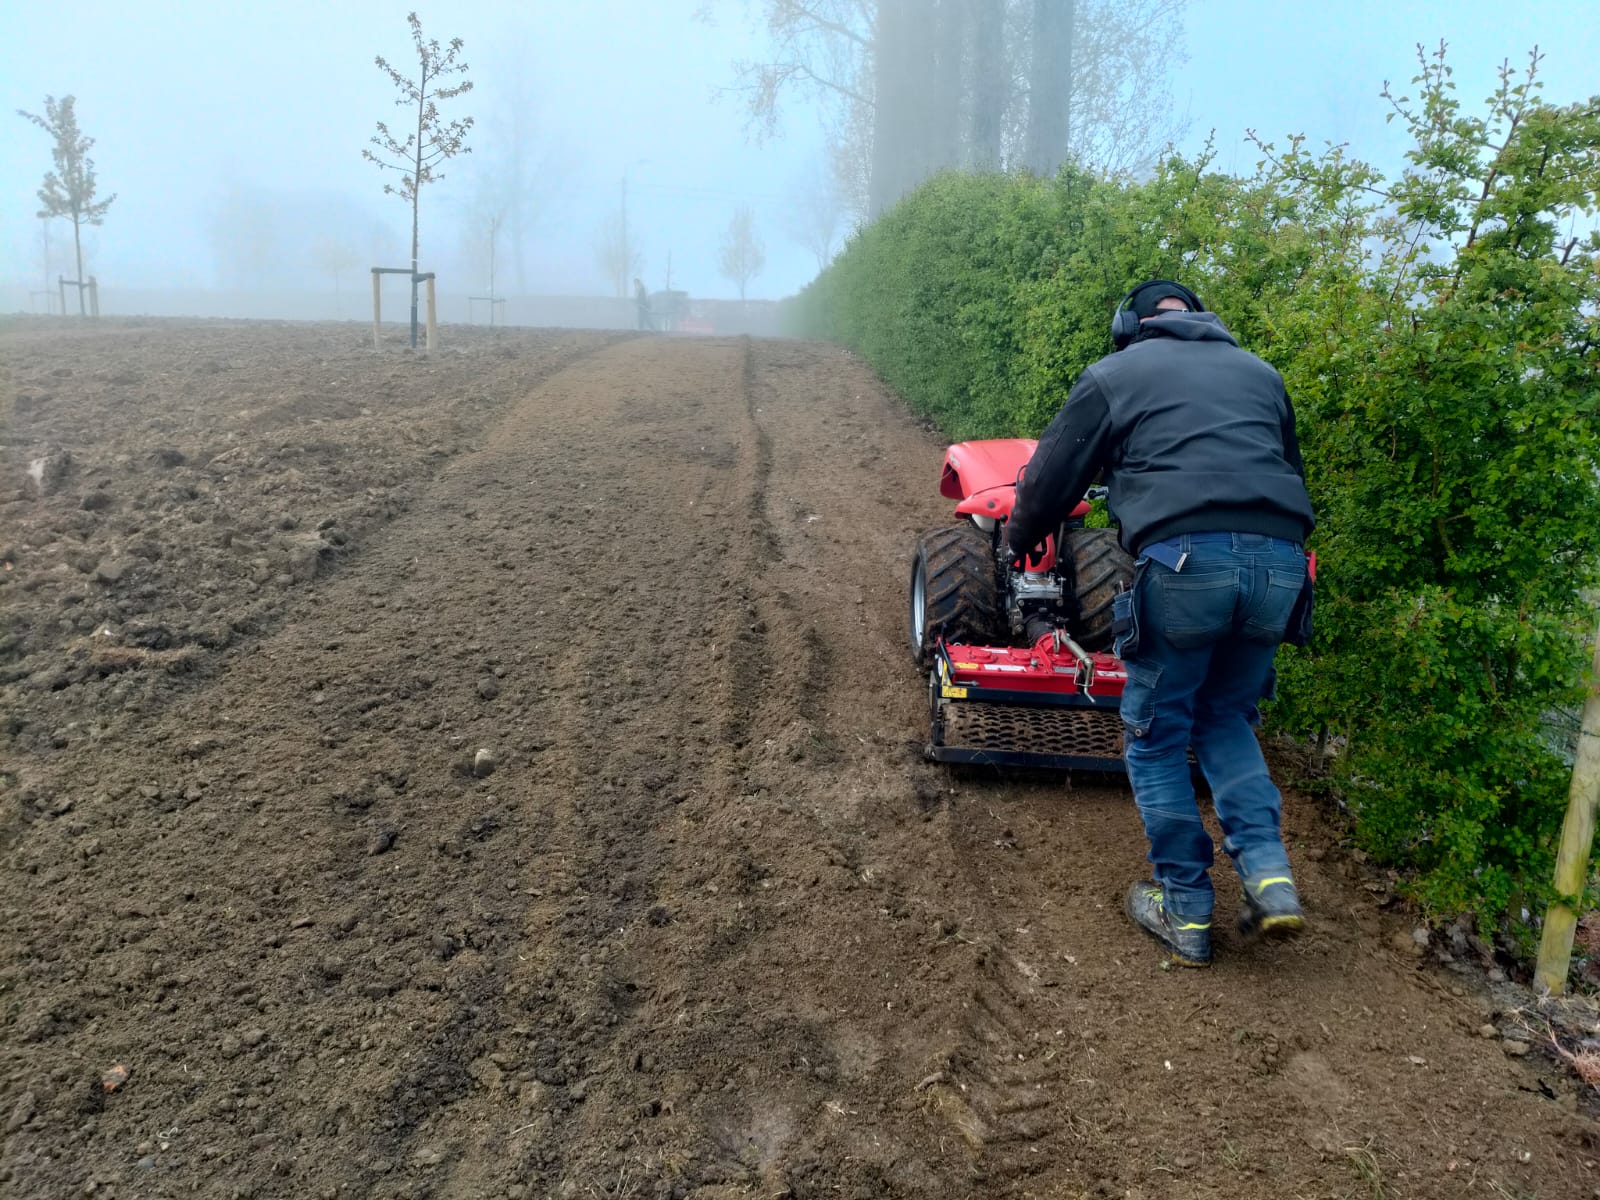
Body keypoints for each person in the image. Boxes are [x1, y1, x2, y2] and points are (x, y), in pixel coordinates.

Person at [1005, 280, 1316, 968]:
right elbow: (1289, 473)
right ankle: (1270, 879)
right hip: (1282, 565)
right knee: (1226, 720)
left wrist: (1021, 538)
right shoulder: (1261, 374)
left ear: (1129, 328)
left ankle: (1186, 907)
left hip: (1185, 564)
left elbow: (1049, 481)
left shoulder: (1116, 374)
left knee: (1155, 734)